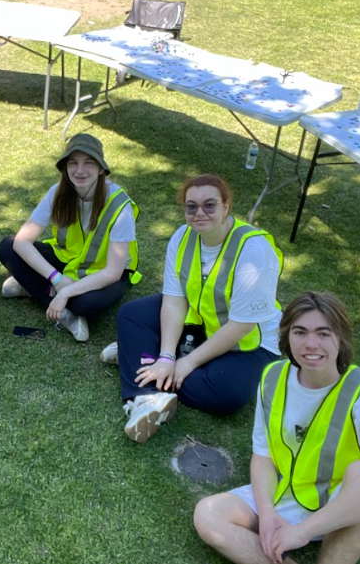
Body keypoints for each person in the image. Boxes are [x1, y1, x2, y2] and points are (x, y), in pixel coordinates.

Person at [193, 291, 360, 564]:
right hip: (291, 495)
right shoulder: (273, 377)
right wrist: (267, 514)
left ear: (342, 339)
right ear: (286, 336)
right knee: (208, 514)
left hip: (350, 503)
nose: (311, 344)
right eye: (300, 332)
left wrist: (303, 532)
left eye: (323, 333)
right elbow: (263, 456)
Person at [111, 173, 283, 443]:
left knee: (228, 394)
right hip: (200, 319)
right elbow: (174, 300)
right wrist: (167, 357)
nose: (199, 213)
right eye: (191, 206)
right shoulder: (182, 237)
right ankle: (145, 398)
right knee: (131, 315)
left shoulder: (254, 250)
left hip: (251, 341)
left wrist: (187, 362)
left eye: (209, 205)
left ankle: (137, 356)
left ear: (226, 206)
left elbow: (242, 326)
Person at [0, 133, 140, 343]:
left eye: (89, 163)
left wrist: (66, 292)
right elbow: (21, 241)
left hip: (104, 271)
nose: (80, 170)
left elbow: (112, 272)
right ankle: (65, 314)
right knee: (7, 247)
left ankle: (34, 287)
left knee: (86, 304)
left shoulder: (120, 205)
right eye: (73, 163)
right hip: (68, 259)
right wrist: (58, 279)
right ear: (65, 167)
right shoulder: (58, 192)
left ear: (101, 169)